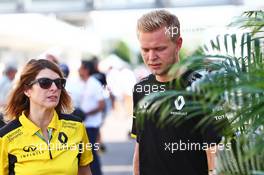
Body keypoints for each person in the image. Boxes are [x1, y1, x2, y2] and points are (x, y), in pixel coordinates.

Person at [131, 10, 221, 175]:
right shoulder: (140, 89)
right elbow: (140, 143)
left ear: (178, 44)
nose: (151, 57)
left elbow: (216, 150)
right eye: (145, 49)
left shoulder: (202, 88)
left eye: (159, 48)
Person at [0, 59, 93, 175]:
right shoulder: (5, 137)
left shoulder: (76, 127)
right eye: (45, 83)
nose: (54, 88)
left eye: (58, 83)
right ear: (27, 90)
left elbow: (85, 172)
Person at [79, 60, 105, 175]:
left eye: (81, 68)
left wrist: (86, 114)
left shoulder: (94, 83)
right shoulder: (87, 83)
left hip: (92, 125)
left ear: (86, 70)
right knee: (88, 152)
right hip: (86, 124)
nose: (78, 71)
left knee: (91, 153)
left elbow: (101, 105)